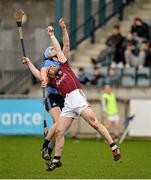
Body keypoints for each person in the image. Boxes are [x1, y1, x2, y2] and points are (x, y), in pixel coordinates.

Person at [39, 25, 121, 171]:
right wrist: (42, 78)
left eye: (52, 66)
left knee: (94, 123)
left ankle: (113, 146)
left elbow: (63, 46)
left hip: (77, 96)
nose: (52, 67)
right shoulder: (53, 81)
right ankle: (57, 159)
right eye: (50, 67)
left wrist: (54, 33)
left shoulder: (64, 66)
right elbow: (41, 73)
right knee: (59, 131)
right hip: (68, 103)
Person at [22, 17, 74, 167]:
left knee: (60, 130)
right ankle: (44, 146)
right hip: (52, 97)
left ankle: (49, 155)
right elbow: (40, 75)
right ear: (48, 55)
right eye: (51, 49)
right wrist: (30, 63)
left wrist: (63, 29)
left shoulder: (62, 61)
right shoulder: (47, 63)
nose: (54, 49)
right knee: (58, 123)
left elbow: (66, 44)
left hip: (65, 98)